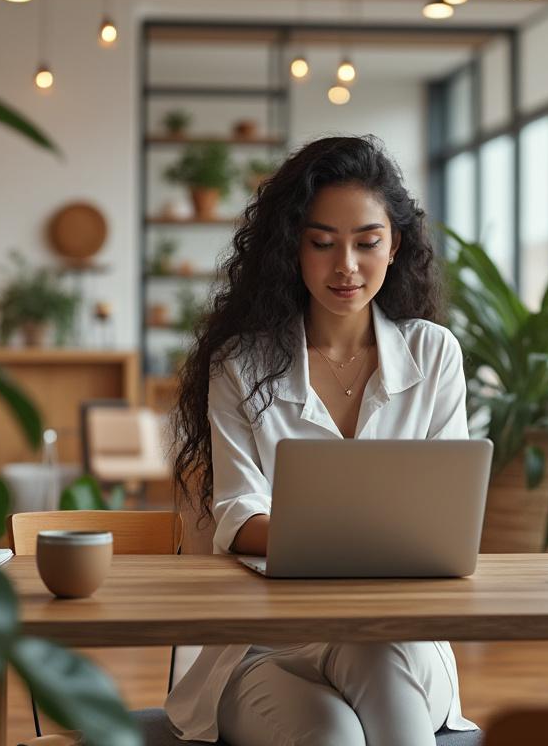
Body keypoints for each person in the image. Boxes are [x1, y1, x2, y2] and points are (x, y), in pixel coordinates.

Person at [166, 135, 477, 746]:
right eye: (322, 243)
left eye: (367, 243)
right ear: (292, 249)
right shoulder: (242, 364)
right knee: (330, 735)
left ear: (395, 247)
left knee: (375, 654)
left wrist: (327, 538)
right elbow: (237, 513)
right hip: (267, 648)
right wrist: (364, 540)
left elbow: (453, 510)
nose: (346, 267)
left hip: (394, 639)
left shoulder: (432, 353)